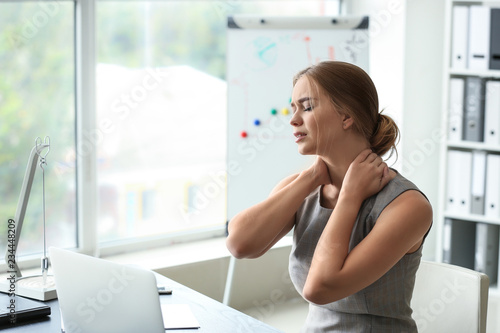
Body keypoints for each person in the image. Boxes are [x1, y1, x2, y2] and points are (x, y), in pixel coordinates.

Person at [225, 61, 433, 332]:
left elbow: (320, 288)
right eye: (293, 108)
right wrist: (310, 178)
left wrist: (349, 197)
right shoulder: (303, 186)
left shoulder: (408, 206)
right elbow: (239, 244)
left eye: (307, 107)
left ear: (346, 117)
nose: (293, 119)